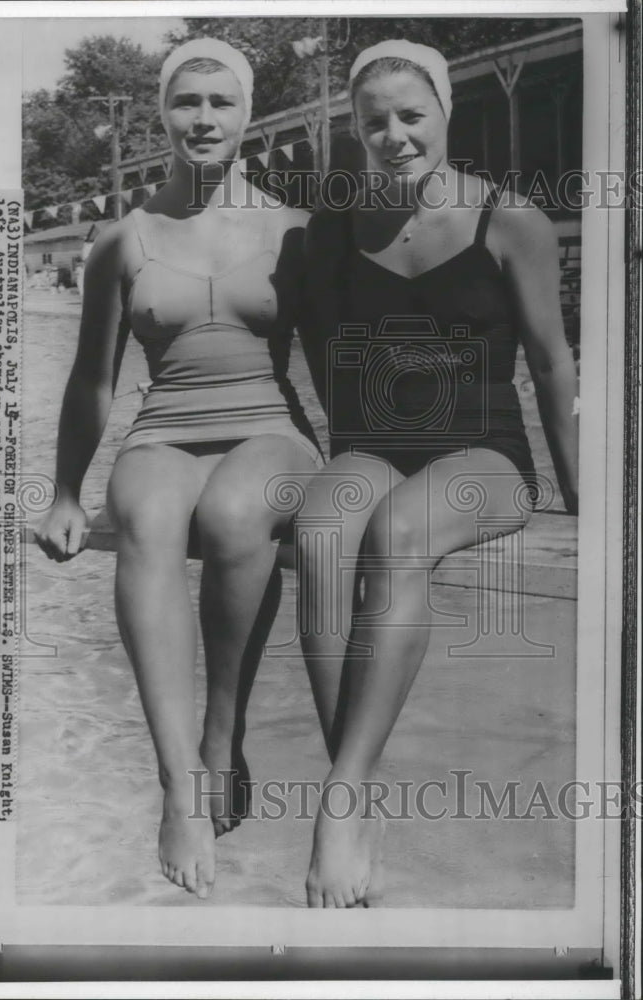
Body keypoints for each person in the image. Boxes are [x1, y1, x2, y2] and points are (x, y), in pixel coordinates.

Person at [35, 38, 320, 900]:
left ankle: (220, 738)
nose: (203, 118)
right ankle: (178, 783)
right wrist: (63, 493)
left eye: (220, 103)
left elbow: (343, 363)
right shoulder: (122, 240)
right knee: (150, 517)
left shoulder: (293, 229)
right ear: (163, 112)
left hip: (269, 426)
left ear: (245, 115)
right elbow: (93, 379)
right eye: (187, 102)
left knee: (238, 511)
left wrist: (373, 471)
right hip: (165, 427)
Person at [297, 39, 579, 908]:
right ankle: (360, 779)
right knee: (318, 531)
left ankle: (340, 799)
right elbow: (316, 346)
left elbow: (553, 365)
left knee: (400, 532)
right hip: (374, 447)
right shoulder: (334, 227)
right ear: (355, 130)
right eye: (372, 122)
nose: (394, 135)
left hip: (486, 454)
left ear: (446, 114)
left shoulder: (512, 220)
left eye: (411, 116)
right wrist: (341, 448)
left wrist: (589, 504)